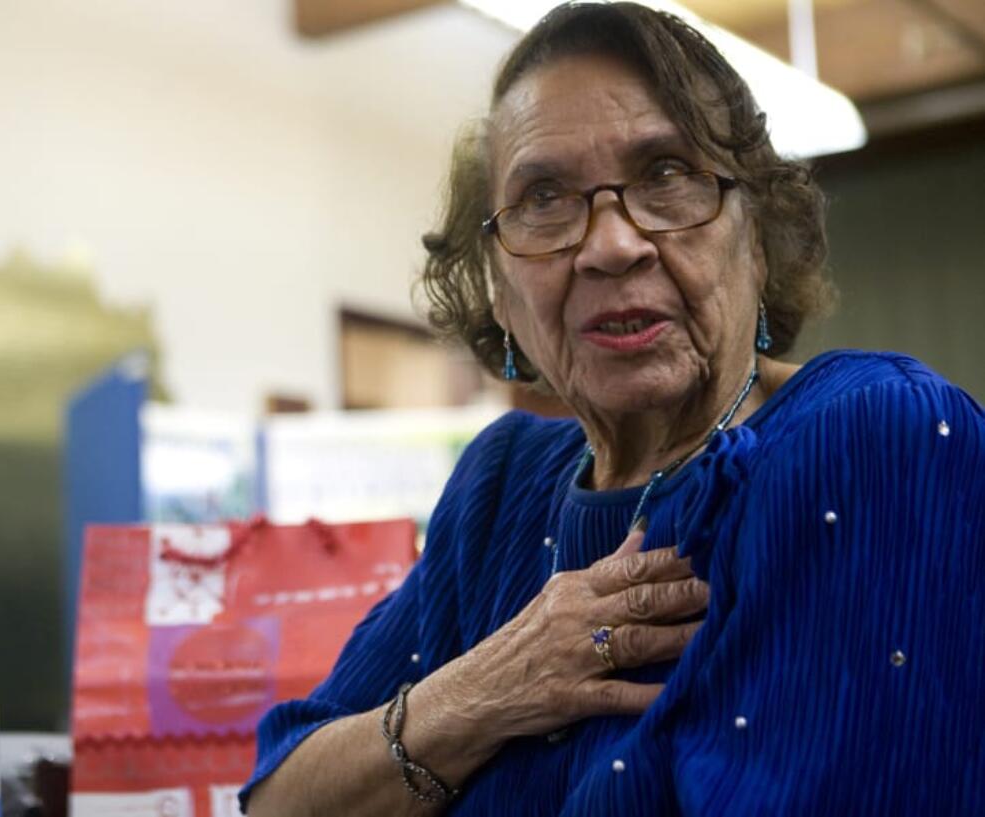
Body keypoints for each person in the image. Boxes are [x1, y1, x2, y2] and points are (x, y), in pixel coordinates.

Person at [242, 3, 985, 814]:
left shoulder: (878, 439)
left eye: (666, 173)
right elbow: (281, 796)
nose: (609, 244)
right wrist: (487, 687)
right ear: (500, 288)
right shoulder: (498, 490)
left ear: (757, 232)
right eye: (545, 197)